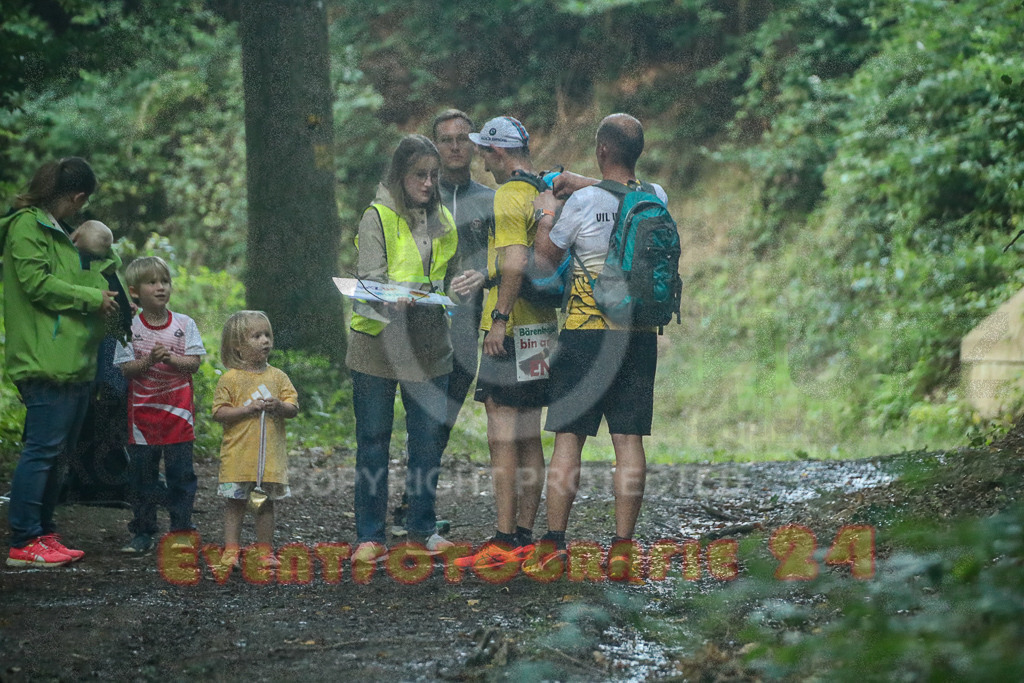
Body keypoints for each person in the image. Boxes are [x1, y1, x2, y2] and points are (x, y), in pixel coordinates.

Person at [532, 113, 669, 572]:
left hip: (587, 334)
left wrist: (550, 203)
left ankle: (554, 543)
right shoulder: (656, 197)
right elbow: (621, 190)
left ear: (602, 151)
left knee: (569, 439)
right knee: (628, 442)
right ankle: (623, 548)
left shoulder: (583, 201)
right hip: (639, 336)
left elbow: (545, 259)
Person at [346, 134, 462, 564]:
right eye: (420, 175)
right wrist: (387, 295)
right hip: (377, 340)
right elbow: (370, 277)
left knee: (427, 439)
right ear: (400, 175)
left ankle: (423, 529)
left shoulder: (444, 220)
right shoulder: (376, 216)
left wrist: (463, 287)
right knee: (374, 438)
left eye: (434, 176)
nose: (429, 183)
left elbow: (450, 277)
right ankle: (370, 536)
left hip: (429, 340)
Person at [1, 157, 120, 567]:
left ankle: (44, 533)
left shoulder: (59, 232)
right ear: (78, 196)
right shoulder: (26, 227)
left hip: (72, 358)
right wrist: (91, 298)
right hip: (43, 359)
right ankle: (23, 539)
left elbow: (76, 280)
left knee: (59, 452)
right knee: (42, 449)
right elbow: (36, 284)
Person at [459, 116, 558, 567]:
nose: (480, 158)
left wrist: (497, 319)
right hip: (541, 328)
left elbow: (516, 263)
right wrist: (488, 274)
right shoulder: (545, 191)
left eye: (484, 150)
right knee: (529, 430)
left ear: (500, 152)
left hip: (512, 327)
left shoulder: (507, 195)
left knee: (501, 431)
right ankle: (524, 532)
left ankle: (502, 539)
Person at [113, 256, 206, 553]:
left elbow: (194, 363)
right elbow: (125, 369)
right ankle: (143, 531)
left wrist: (170, 358)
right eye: (152, 282)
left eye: (164, 281)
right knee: (142, 477)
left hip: (179, 414)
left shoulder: (184, 324)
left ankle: (181, 530)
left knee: (181, 476)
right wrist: (148, 361)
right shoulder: (129, 327)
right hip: (142, 417)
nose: (161, 287)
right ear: (135, 291)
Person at [212, 311, 298, 567]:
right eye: (256, 336)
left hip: (268, 459)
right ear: (237, 346)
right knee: (235, 503)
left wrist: (280, 406)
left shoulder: (278, 377)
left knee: (264, 504)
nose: (265, 341)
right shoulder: (230, 379)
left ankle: (264, 552)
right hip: (238, 457)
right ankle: (231, 551)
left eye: (267, 335)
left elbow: (293, 407)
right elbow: (219, 412)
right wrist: (246, 410)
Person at [431, 109, 492, 450]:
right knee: (423, 413)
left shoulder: (490, 200)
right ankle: (416, 494)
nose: (455, 147)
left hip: (467, 328)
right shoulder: (419, 197)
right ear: (435, 146)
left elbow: (507, 260)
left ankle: (421, 489)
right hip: (421, 323)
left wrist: (483, 275)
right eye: (446, 140)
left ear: (474, 146)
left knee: (445, 416)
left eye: (462, 139)